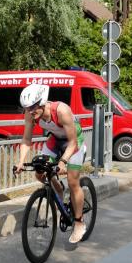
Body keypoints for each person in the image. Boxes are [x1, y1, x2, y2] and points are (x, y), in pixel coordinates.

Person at [15, 83, 88, 243]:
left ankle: (79, 222)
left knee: (73, 181)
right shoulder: (30, 114)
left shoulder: (61, 110)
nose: (30, 111)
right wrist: (20, 162)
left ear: (42, 102)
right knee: (39, 172)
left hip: (74, 142)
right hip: (55, 140)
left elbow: (73, 142)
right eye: (26, 108)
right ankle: (58, 189)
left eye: (33, 107)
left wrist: (62, 162)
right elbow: (26, 139)